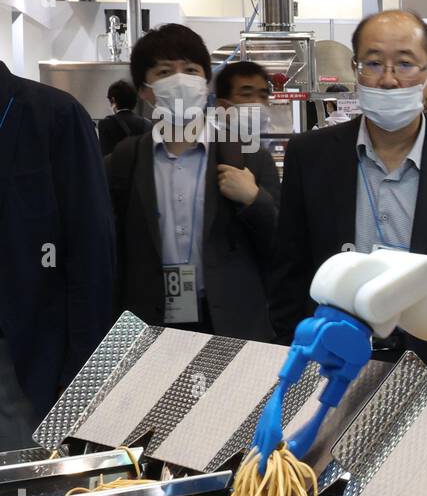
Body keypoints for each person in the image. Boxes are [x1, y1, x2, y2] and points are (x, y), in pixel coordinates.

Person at [269, 9, 427, 368]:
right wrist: (292, 351)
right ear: (356, 69)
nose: (388, 79)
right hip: (328, 358)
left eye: (405, 64)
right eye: (374, 63)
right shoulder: (311, 156)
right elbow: (289, 270)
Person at [106, 28, 280, 339]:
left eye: (190, 70)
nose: (180, 80)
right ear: (145, 90)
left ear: (205, 81)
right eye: (164, 72)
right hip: (149, 323)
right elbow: (111, 243)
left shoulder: (248, 156)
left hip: (233, 323)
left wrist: (255, 200)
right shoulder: (125, 159)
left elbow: (281, 245)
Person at [0, 61, 116, 448]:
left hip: (31, 360)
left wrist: (83, 377)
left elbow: (91, 251)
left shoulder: (53, 115)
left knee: (34, 493)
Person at [97, 79, 151, 157]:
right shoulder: (147, 123)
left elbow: (104, 155)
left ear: (113, 100)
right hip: (140, 168)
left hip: (115, 168)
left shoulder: (105, 124)